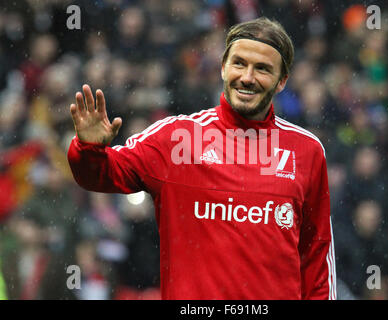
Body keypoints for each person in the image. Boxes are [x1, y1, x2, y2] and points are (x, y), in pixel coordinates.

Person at [67, 17, 336, 300]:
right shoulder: (177, 139)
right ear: (222, 67)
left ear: (282, 81)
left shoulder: (306, 151)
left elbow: (317, 259)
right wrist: (89, 148)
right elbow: (98, 174)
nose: (247, 77)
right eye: (239, 63)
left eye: (263, 69)